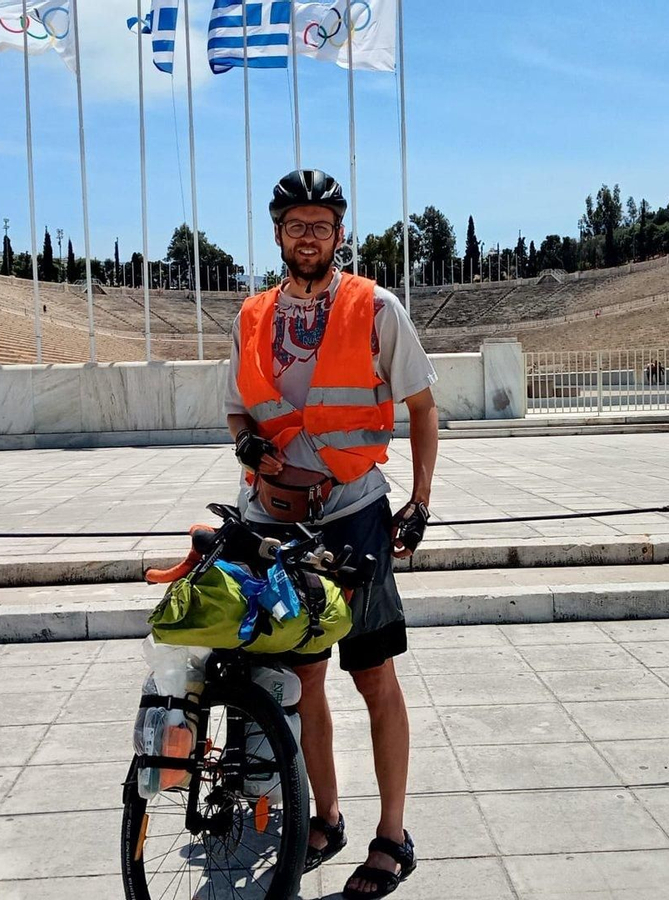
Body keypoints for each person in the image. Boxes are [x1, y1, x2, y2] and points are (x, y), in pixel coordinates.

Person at [225, 169, 437, 899]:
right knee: (305, 675)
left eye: (321, 224)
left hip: (353, 513)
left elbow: (422, 405)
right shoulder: (252, 316)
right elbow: (238, 412)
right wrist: (248, 448)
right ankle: (327, 814)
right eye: (295, 224)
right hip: (273, 516)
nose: (307, 236)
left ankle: (392, 835)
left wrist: (420, 499)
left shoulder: (376, 307)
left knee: (373, 673)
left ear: (340, 233)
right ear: (277, 233)